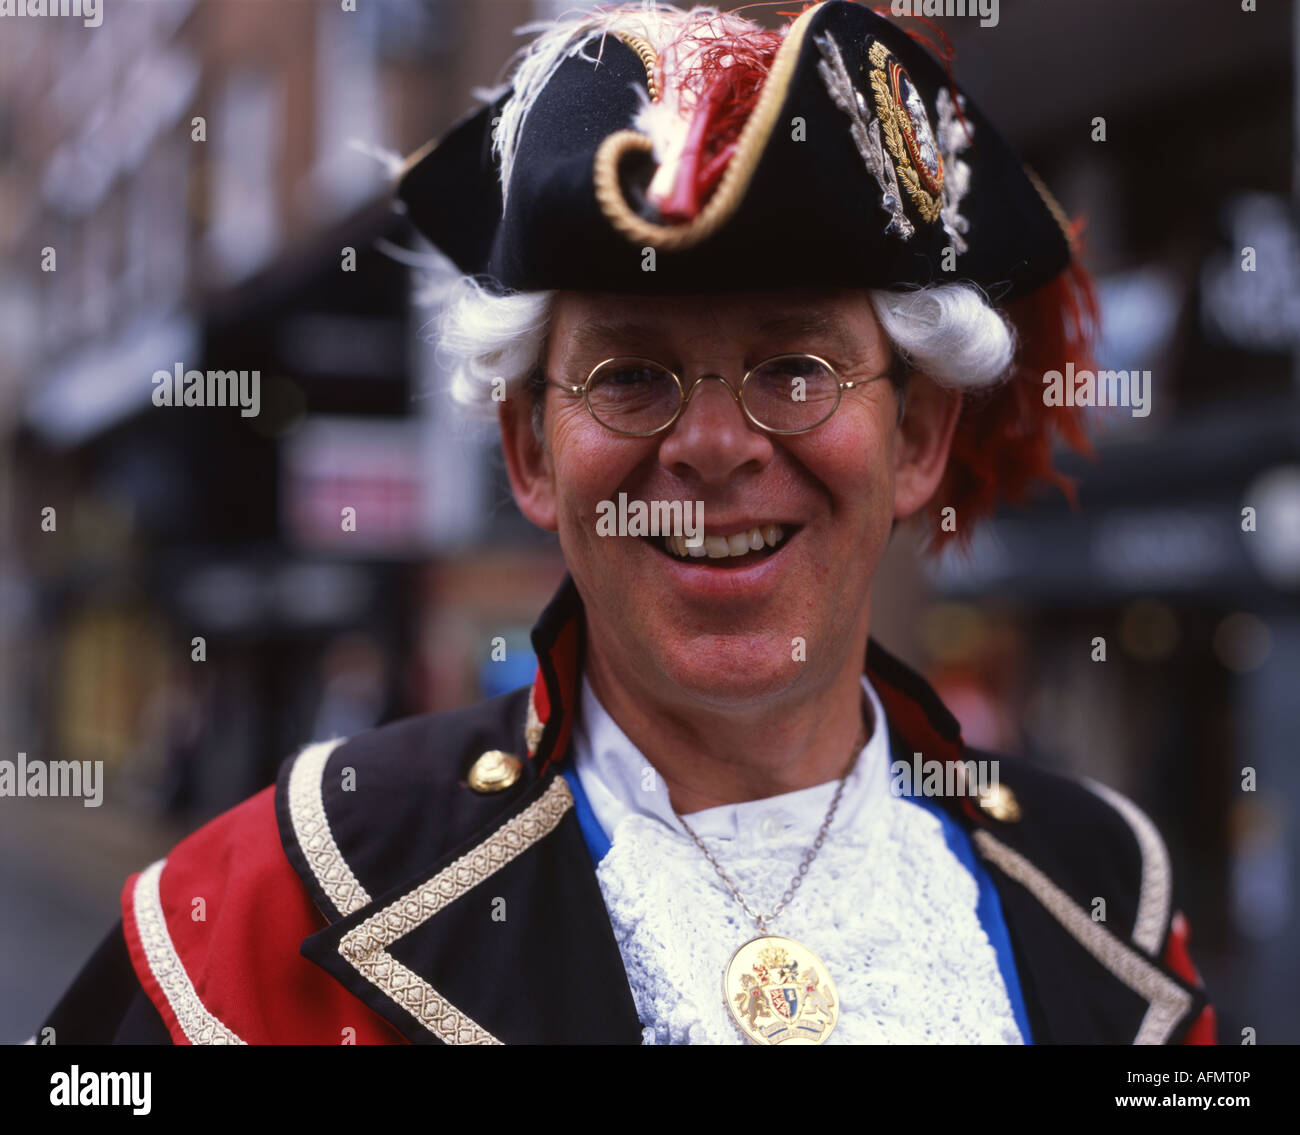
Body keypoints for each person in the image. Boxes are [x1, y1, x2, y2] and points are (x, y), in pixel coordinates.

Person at [41, 0, 1214, 1045]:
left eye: (796, 366)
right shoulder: (256, 914)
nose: (713, 446)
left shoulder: (1107, 896)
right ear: (530, 451)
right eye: (632, 375)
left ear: (916, 442)